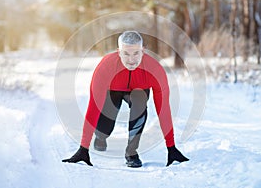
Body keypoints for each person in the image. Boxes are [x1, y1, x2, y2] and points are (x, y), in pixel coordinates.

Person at [62, 31, 189, 168]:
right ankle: (101, 136)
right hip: (112, 91)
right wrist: (83, 148)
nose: (131, 60)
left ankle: (131, 152)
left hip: (138, 91)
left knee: (140, 101)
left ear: (143, 51)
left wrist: (171, 147)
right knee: (105, 122)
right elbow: (94, 107)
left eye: (136, 53)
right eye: (126, 54)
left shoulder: (155, 70)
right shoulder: (105, 67)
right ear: (119, 52)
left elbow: (163, 109)